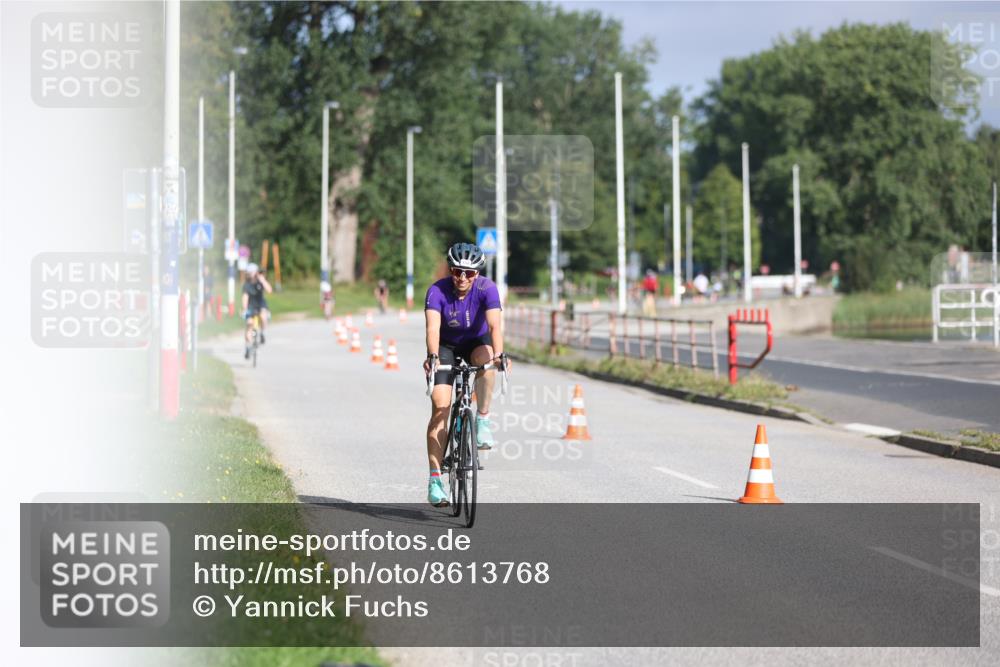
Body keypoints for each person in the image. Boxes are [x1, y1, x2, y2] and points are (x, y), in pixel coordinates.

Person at [422, 242, 510, 507]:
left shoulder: (487, 289)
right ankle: (436, 479)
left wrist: (500, 354)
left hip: (476, 342)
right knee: (440, 407)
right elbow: (432, 329)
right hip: (446, 347)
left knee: (488, 358)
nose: (462, 278)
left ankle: (482, 419)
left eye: (469, 273)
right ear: (450, 270)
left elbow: (495, 326)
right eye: (457, 271)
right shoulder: (437, 291)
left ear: (477, 274)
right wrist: (433, 355)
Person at [242, 263, 273, 358]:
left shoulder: (260, 282)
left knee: (263, 317)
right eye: (249, 272)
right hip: (251, 306)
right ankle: (248, 346)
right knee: (249, 324)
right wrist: (245, 309)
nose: (251, 274)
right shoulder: (246, 285)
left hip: (261, 305)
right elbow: (245, 297)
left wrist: (262, 280)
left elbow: (269, 290)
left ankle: (262, 333)